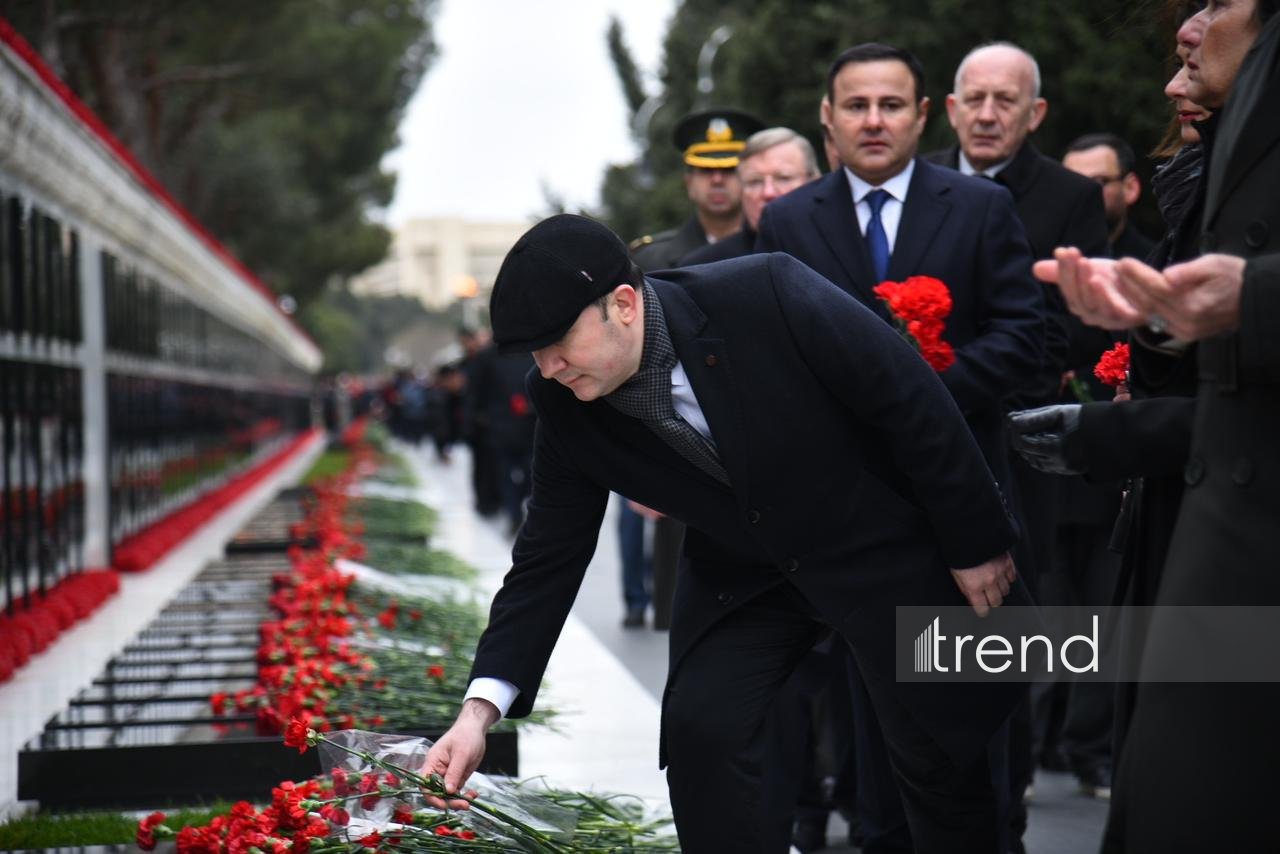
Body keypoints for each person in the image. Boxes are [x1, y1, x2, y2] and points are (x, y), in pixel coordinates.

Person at [425, 214, 1028, 854]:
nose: (548, 369)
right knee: (702, 729)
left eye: (558, 344)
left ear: (622, 305)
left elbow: (910, 399)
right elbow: (548, 553)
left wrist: (975, 542)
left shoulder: (766, 293)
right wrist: (477, 714)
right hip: (748, 575)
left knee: (937, 757)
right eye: (534, 355)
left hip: (873, 540)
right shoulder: (563, 401)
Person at [756, 42, 1045, 852]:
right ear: (828, 117)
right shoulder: (787, 221)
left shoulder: (979, 207)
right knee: (868, 734)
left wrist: (916, 395)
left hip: (965, 515)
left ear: (923, 115)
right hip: (849, 522)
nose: (873, 121)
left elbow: (1025, 338)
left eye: (891, 105)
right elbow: (770, 357)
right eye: (856, 105)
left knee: (973, 729)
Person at [1031, 2, 1280, 848]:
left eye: (1218, 3)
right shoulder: (1205, 170)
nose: (1186, 36)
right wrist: (1154, 320)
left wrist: (1124, 435)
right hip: (1199, 520)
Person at [927, 43, 1115, 820]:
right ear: (950, 107)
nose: (988, 113)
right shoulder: (924, 184)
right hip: (928, 433)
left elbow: (1079, 324)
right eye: (974, 98)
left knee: (1017, 599)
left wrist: (990, 375)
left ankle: (1016, 756)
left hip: (1021, 434)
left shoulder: (1070, 197)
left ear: (1034, 113)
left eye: (1006, 100)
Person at [627, 107, 764, 631]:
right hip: (684, 457)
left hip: (770, 449)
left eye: (729, 169)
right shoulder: (654, 259)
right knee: (691, 624)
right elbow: (634, 371)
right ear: (688, 180)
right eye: (706, 169)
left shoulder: (781, 243)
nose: (718, 181)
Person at [680, 127, 820, 266]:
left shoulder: (838, 242)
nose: (768, 192)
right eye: (755, 182)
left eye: (783, 178)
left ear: (814, 181)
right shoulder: (706, 266)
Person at [1063, 133, 1157, 261]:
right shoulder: (1040, 257)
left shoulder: (1157, 264)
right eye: (1071, 183)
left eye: (1098, 182)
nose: (1082, 193)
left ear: (1130, 188)